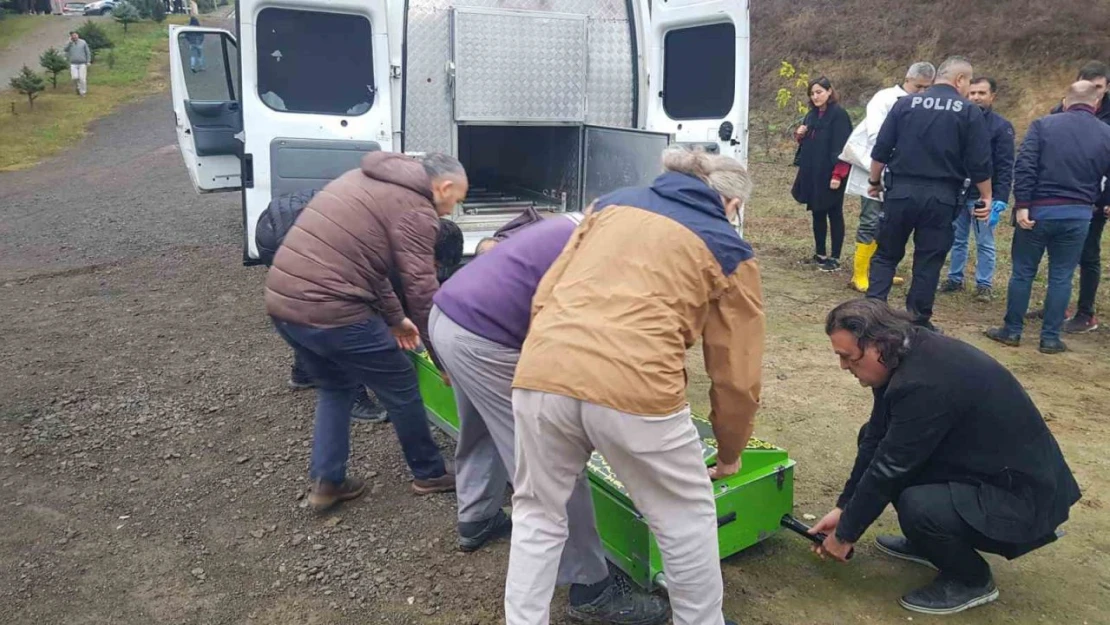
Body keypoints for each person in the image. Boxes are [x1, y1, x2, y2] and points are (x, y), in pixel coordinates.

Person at [505, 147, 763, 625]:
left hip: (543, 370)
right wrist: (730, 450)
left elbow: (546, 295)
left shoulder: (608, 206)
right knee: (684, 522)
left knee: (537, 513)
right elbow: (736, 374)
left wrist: (548, 362)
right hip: (637, 389)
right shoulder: (729, 249)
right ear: (731, 204)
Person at [812, 299, 1080, 616]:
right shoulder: (901, 352)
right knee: (872, 438)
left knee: (919, 505)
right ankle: (929, 543)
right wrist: (844, 508)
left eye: (848, 357)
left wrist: (845, 535)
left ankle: (972, 579)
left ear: (877, 344)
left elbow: (890, 467)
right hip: (986, 470)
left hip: (1023, 497)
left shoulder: (923, 381)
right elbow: (876, 440)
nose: (844, 366)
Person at [265, 152, 468, 510]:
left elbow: (370, 266)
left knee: (336, 385)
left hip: (283, 302)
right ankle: (430, 472)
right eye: (457, 200)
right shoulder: (417, 211)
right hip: (332, 309)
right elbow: (422, 294)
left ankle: (328, 481)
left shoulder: (361, 179)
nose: (451, 210)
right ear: (445, 186)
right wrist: (443, 359)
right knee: (401, 383)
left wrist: (394, 319)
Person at [866, 56, 993, 331]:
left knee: (886, 254)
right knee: (928, 260)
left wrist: (875, 181)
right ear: (960, 80)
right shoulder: (968, 112)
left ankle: (872, 313)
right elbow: (979, 162)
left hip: (900, 192)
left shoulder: (905, 104)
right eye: (968, 81)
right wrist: (986, 196)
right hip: (942, 197)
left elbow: (881, 150)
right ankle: (917, 320)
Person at [985, 81, 1110, 354]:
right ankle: (1050, 338)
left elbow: (1026, 164)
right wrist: (1104, 202)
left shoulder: (1043, 125)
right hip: (1078, 215)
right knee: (1062, 276)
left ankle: (1012, 330)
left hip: (1039, 211)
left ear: (1065, 100)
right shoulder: (1106, 133)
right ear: (1096, 104)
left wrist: (1023, 205)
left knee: (1023, 273)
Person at [1028, 61, 1110, 333]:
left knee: (1088, 254)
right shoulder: (1060, 111)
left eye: (1099, 87)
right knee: (1058, 255)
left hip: (1095, 199)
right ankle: (1056, 305)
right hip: (1060, 197)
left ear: (1107, 88)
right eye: (1091, 87)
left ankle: (1086, 313)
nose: (1095, 93)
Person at [840, 62, 936, 292]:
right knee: (871, 219)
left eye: (927, 87)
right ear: (907, 78)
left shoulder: (927, 103)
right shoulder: (884, 99)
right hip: (876, 166)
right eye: (918, 86)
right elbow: (877, 135)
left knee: (889, 222)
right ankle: (860, 273)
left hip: (904, 173)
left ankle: (879, 269)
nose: (922, 92)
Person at [940, 76, 1015, 302]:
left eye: (981, 93)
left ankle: (984, 284)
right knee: (957, 239)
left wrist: (999, 197)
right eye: (972, 93)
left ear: (992, 96)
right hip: (958, 192)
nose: (976, 97)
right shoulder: (957, 120)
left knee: (984, 242)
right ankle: (954, 278)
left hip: (983, 196)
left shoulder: (1001, 127)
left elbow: (1004, 165)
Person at [792, 77, 853, 272]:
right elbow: (808, 143)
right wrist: (800, 134)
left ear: (829, 91)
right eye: (812, 93)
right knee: (817, 211)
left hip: (832, 173)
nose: (815, 96)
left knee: (834, 213)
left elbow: (843, 148)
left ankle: (834, 258)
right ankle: (820, 254)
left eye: (819, 92)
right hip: (813, 172)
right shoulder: (811, 115)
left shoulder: (839, 115)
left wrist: (838, 174)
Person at [64, 31, 92, 97]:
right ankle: (78, 87)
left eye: (75, 35)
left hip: (82, 63)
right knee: (75, 77)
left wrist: (88, 61)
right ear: (71, 37)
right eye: (73, 35)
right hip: (73, 63)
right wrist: (69, 43)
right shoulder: (69, 43)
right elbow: (65, 50)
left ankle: (83, 92)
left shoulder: (83, 42)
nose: (75, 36)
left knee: (82, 78)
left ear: (78, 35)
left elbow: (87, 52)